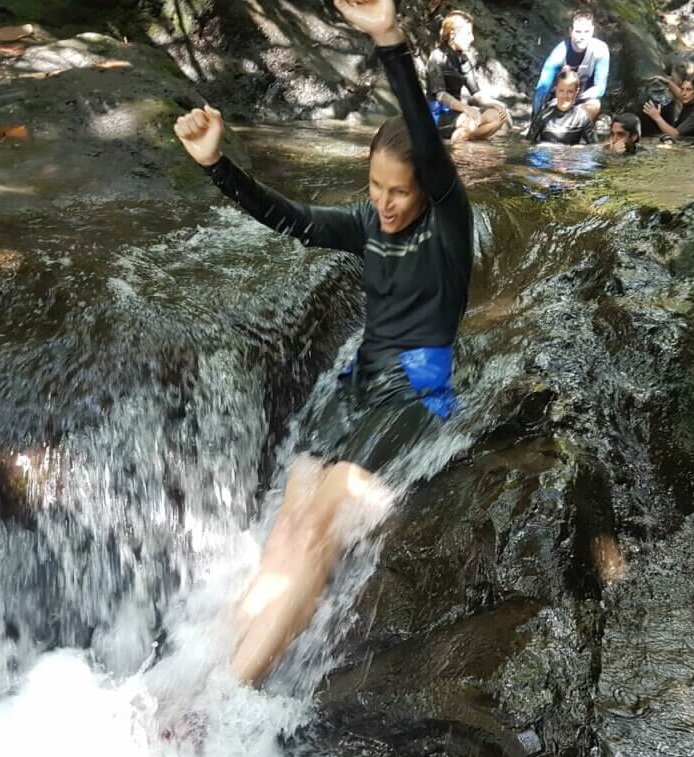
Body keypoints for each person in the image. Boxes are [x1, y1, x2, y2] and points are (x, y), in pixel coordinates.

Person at [172, 0, 472, 687]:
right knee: (289, 520)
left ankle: (229, 694)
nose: (387, 203)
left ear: (430, 191)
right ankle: (200, 668)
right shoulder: (368, 224)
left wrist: (389, 38)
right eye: (375, 187)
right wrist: (217, 165)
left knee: (315, 530)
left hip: (415, 400)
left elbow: (427, 143)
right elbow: (292, 220)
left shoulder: (449, 229)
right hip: (360, 392)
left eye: (401, 191)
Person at [426, 10, 509, 143]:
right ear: (452, 34)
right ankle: (456, 152)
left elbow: (476, 94)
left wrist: (497, 105)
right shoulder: (437, 56)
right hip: (437, 115)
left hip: (458, 113)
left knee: (496, 116)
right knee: (469, 122)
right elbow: (440, 95)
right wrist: (466, 109)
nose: (472, 38)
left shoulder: (463, 59)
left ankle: (465, 138)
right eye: (467, 33)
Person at [530, 10, 609, 124]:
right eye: (578, 32)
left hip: (584, 98)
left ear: (592, 31)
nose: (582, 37)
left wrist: (576, 99)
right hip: (559, 99)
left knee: (595, 105)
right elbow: (542, 89)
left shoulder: (600, 50)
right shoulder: (559, 53)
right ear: (570, 31)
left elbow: (600, 88)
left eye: (586, 32)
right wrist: (535, 120)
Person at [527, 69, 596, 146]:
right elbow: (527, 143)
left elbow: (594, 146)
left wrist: (579, 150)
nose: (565, 95)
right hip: (547, 155)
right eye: (561, 91)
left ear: (576, 92)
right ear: (556, 90)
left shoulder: (582, 117)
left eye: (570, 91)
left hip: (571, 156)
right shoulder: (543, 116)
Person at [642, 75, 694, 139]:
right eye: (682, 89)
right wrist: (668, 83)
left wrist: (656, 117)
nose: (683, 93)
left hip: (693, 147)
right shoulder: (690, 99)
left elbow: (675, 134)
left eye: (689, 89)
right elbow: (680, 95)